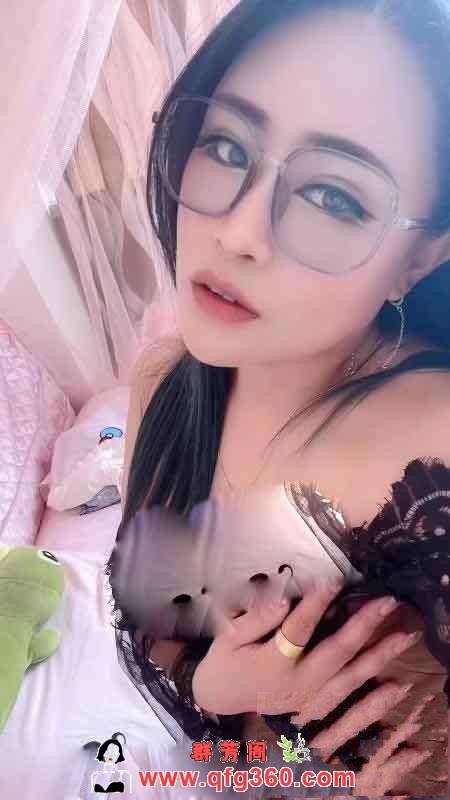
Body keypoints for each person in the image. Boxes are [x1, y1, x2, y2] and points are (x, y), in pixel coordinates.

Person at [107, 0, 450, 793]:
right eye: (226, 146)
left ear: (421, 260)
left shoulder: (432, 444)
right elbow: (168, 642)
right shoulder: (163, 385)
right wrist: (218, 690)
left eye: (335, 197)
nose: (239, 232)